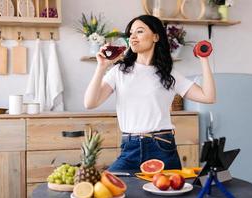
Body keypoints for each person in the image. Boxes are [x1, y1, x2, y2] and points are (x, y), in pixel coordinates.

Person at [84, 15, 216, 171]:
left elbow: (208, 97)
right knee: (108, 190)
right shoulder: (119, 71)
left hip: (162, 146)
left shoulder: (168, 73)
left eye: (139, 31)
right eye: (131, 33)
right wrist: (101, 67)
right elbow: (90, 103)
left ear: (155, 36)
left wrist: (203, 59)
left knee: (166, 194)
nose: (133, 36)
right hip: (129, 148)